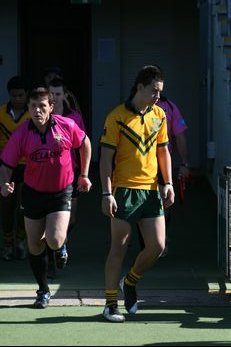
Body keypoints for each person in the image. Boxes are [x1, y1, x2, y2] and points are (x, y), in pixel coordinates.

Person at [0, 87, 92, 309]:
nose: (37, 110)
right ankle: (43, 291)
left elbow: (85, 144)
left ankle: (60, 247)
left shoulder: (66, 125)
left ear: (51, 107)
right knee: (34, 245)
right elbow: (6, 164)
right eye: (33, 106)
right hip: (33, 193)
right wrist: (4, 183)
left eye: (42, 105)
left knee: (53, 238)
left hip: (61, 191)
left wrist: (84, 175)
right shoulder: (22, 133)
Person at [99, 65, 175, 322]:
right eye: (154, 91)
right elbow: (106, 159)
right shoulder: (116, 116)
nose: (157, 96)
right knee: (118, 247)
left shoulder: (160, 115)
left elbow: (163, 151)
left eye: (160, 92)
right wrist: (107, 193)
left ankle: (129, 282)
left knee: (158, 246)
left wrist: (169, 182)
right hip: (124, 190)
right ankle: (110, 304)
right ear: (140, 87)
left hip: (152, 190)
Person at [137, 64, 190, 255]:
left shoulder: (168, 108)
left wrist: (184, 164)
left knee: (163, 201)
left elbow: (180, 136)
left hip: (160, 164)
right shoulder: (131, 109)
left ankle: (160, 239)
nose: (156, 94)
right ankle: (149, 242)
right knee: (144, 202)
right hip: (139, 166)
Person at [46, 77, 86, 277]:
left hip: (72, 172)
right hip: (47, 173)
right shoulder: (41, 115)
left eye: (58, 94)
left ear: (65, 95)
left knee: (70, 219)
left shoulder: (74, 117)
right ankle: (54, 255)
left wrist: (84, 174)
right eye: (50, 93)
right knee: (48, 217)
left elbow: (82, 144)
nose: (54, 98)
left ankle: (61, 243)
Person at [0, 75, 30, 261]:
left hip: (27, 166)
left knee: (23, 206)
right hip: (5, 166)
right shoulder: (1, 113)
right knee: (6, 206)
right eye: (13, 95)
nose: (17, 99)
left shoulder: (32, 114)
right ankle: (8, 244)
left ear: (27, 95)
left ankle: (21, 241)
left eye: (20, 95)